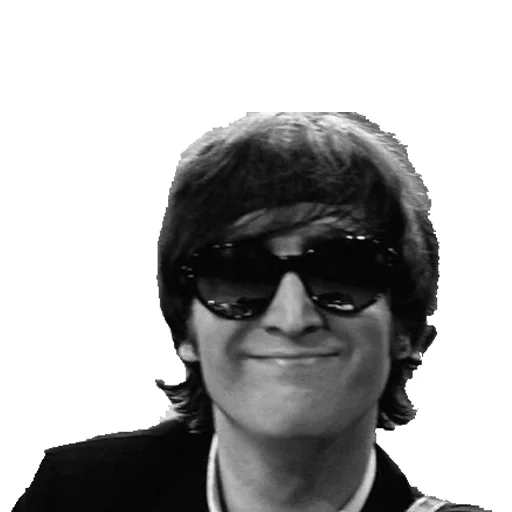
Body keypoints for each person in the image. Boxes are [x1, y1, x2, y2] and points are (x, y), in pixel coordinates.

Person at [13, 112, 488, 511]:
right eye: (240, 275)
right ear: (186, 331)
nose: (292, 317)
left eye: (342, 273)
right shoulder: (75, 497)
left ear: (404, 331)